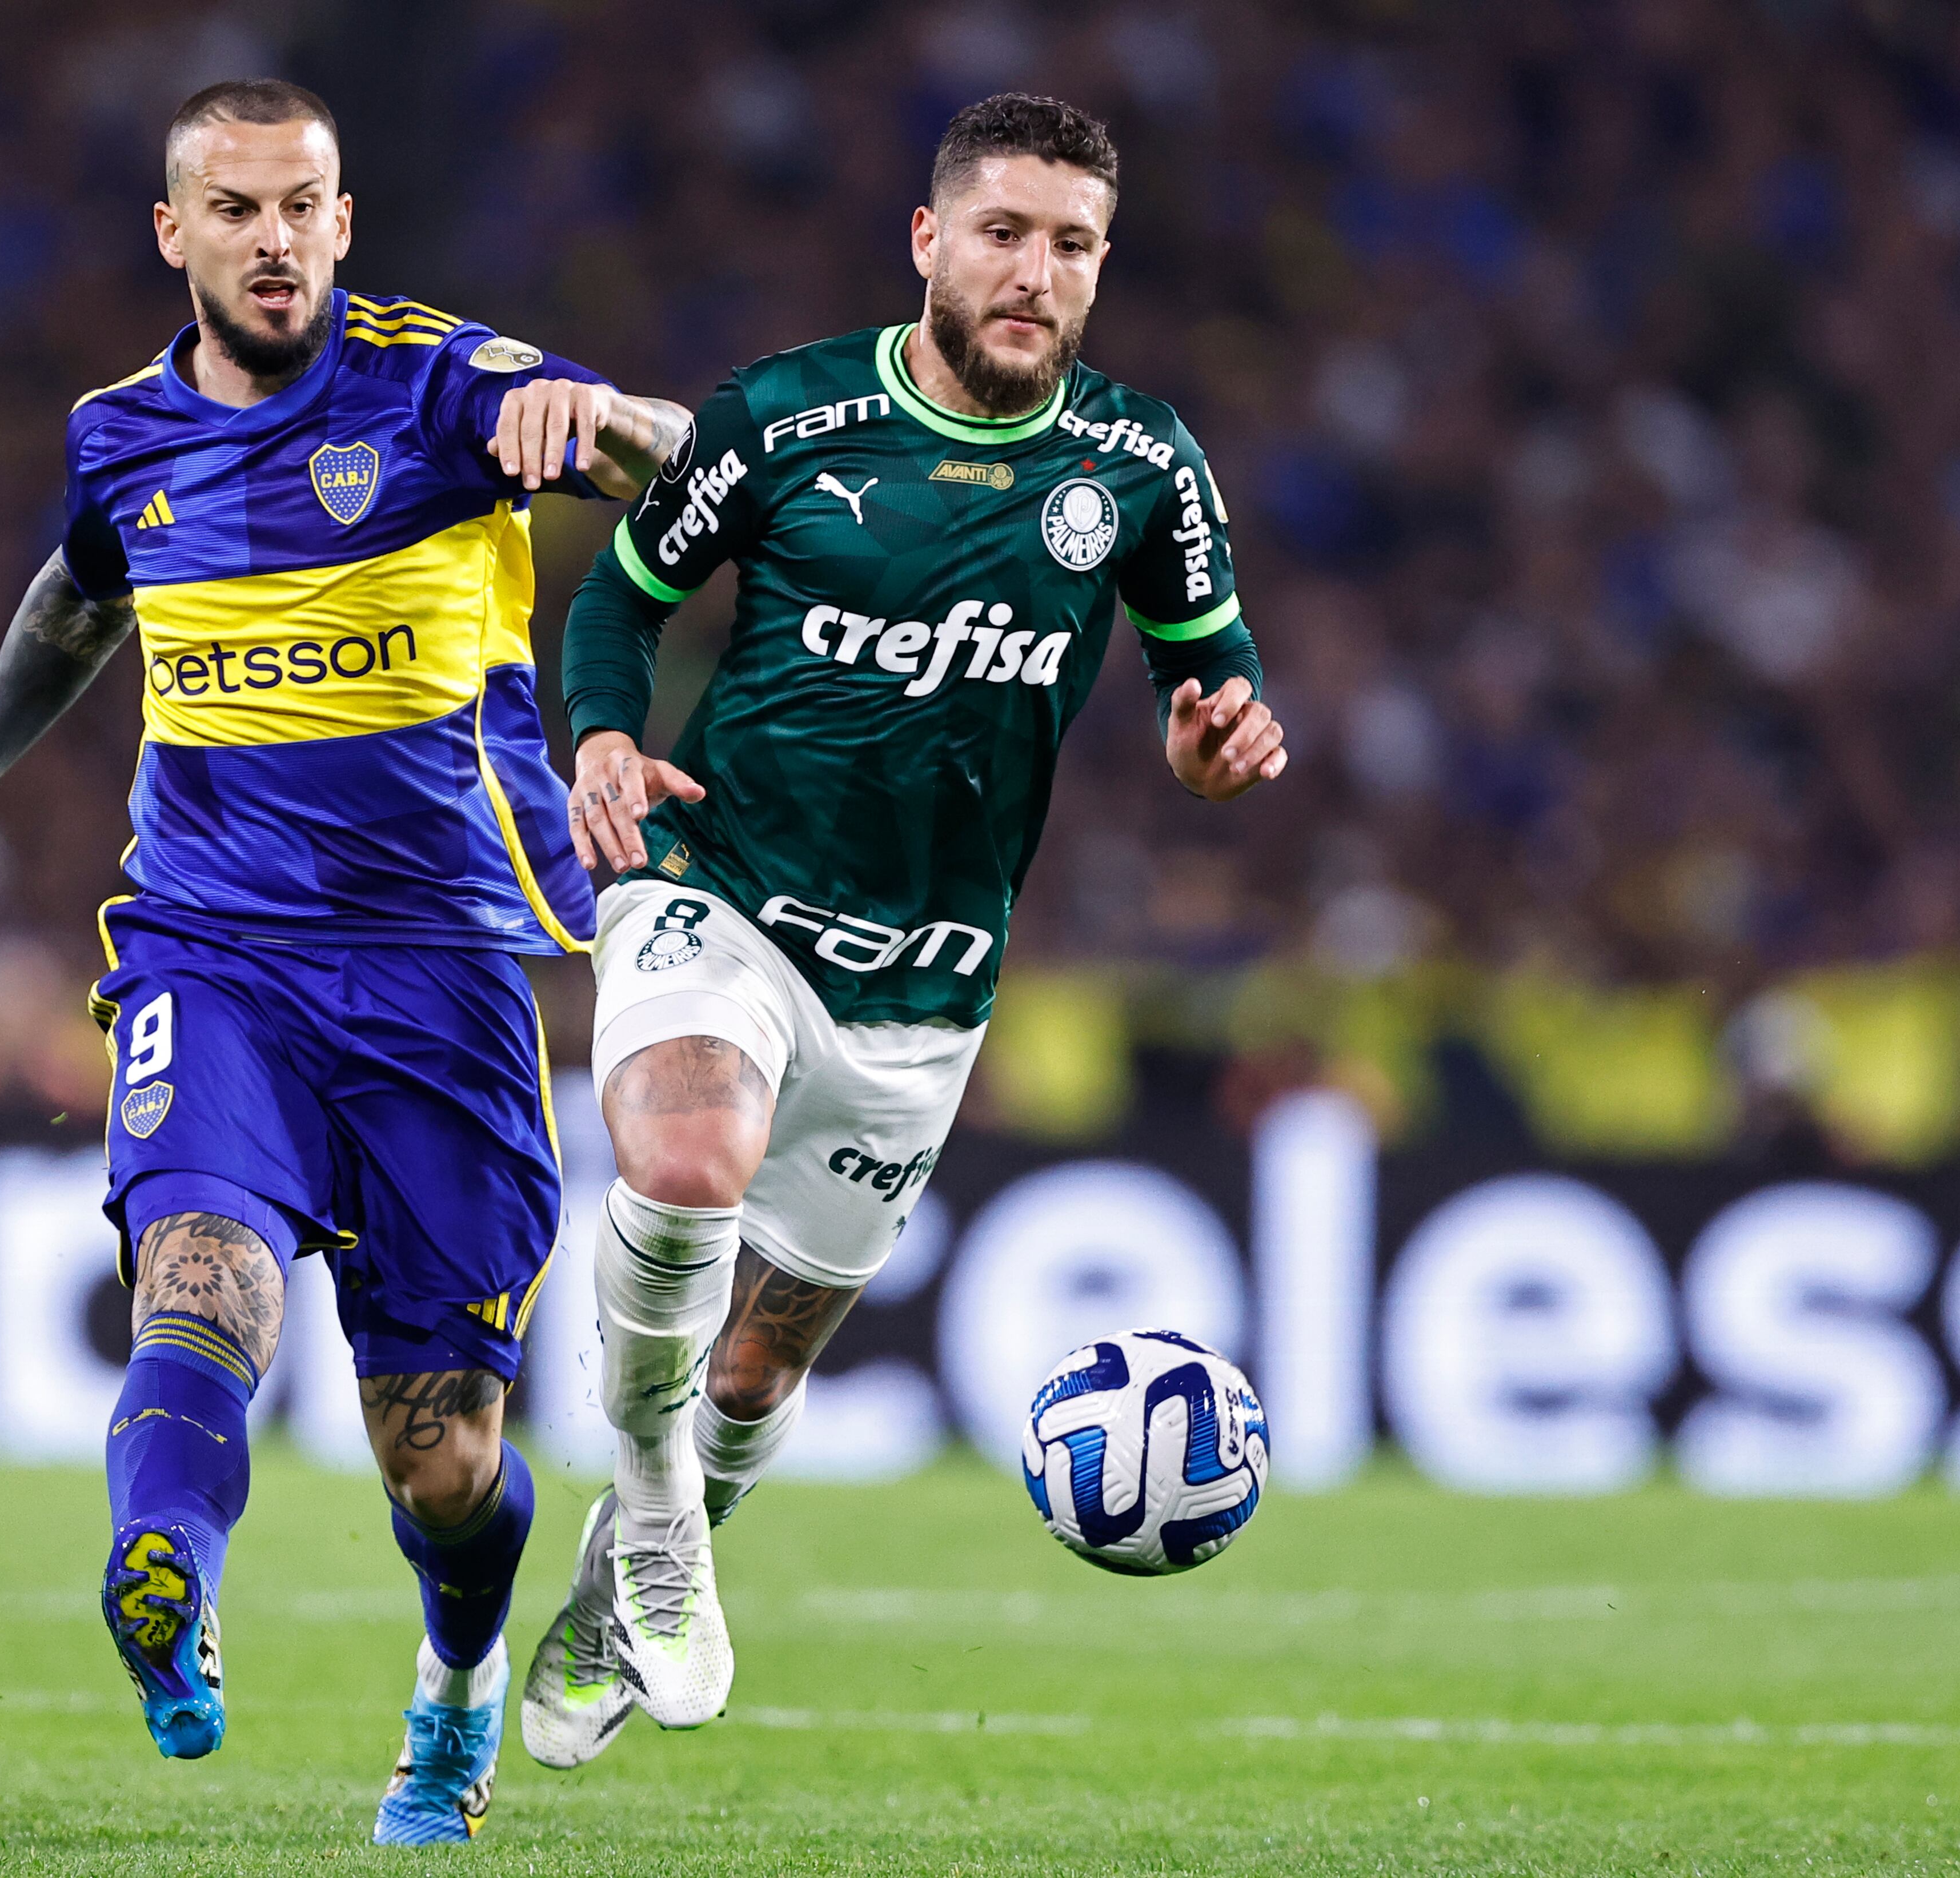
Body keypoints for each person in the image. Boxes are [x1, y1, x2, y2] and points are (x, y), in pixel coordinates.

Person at [0, 78, 689, 1848]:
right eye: (234, 209)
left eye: (301, 205)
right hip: (213, 947)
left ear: (342, 219)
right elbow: (78, 596)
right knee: (198, 1277)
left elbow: (684, 467)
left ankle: (455, 1688)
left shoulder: (441, 384)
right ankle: (165, 1577)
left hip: (445, 971)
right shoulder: (120, 435)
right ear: (176, 232)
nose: (273, 239)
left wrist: (609, 422)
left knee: (439, 1456)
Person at [527, 93, 1286, 1763]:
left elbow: (1210, 683)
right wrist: (603, 736)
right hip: (718, 885)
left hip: (926, 980)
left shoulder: (1142, 463)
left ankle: (613, 1585)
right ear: (930, 240)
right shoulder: (784, 418)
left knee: (756, 1371)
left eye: (1071, 245)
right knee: (685, 1164)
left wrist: (1214, 746)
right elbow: (620, 598)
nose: (1034, 273)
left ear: (1101, 267)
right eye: (1002, 234)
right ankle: (649, 1512)